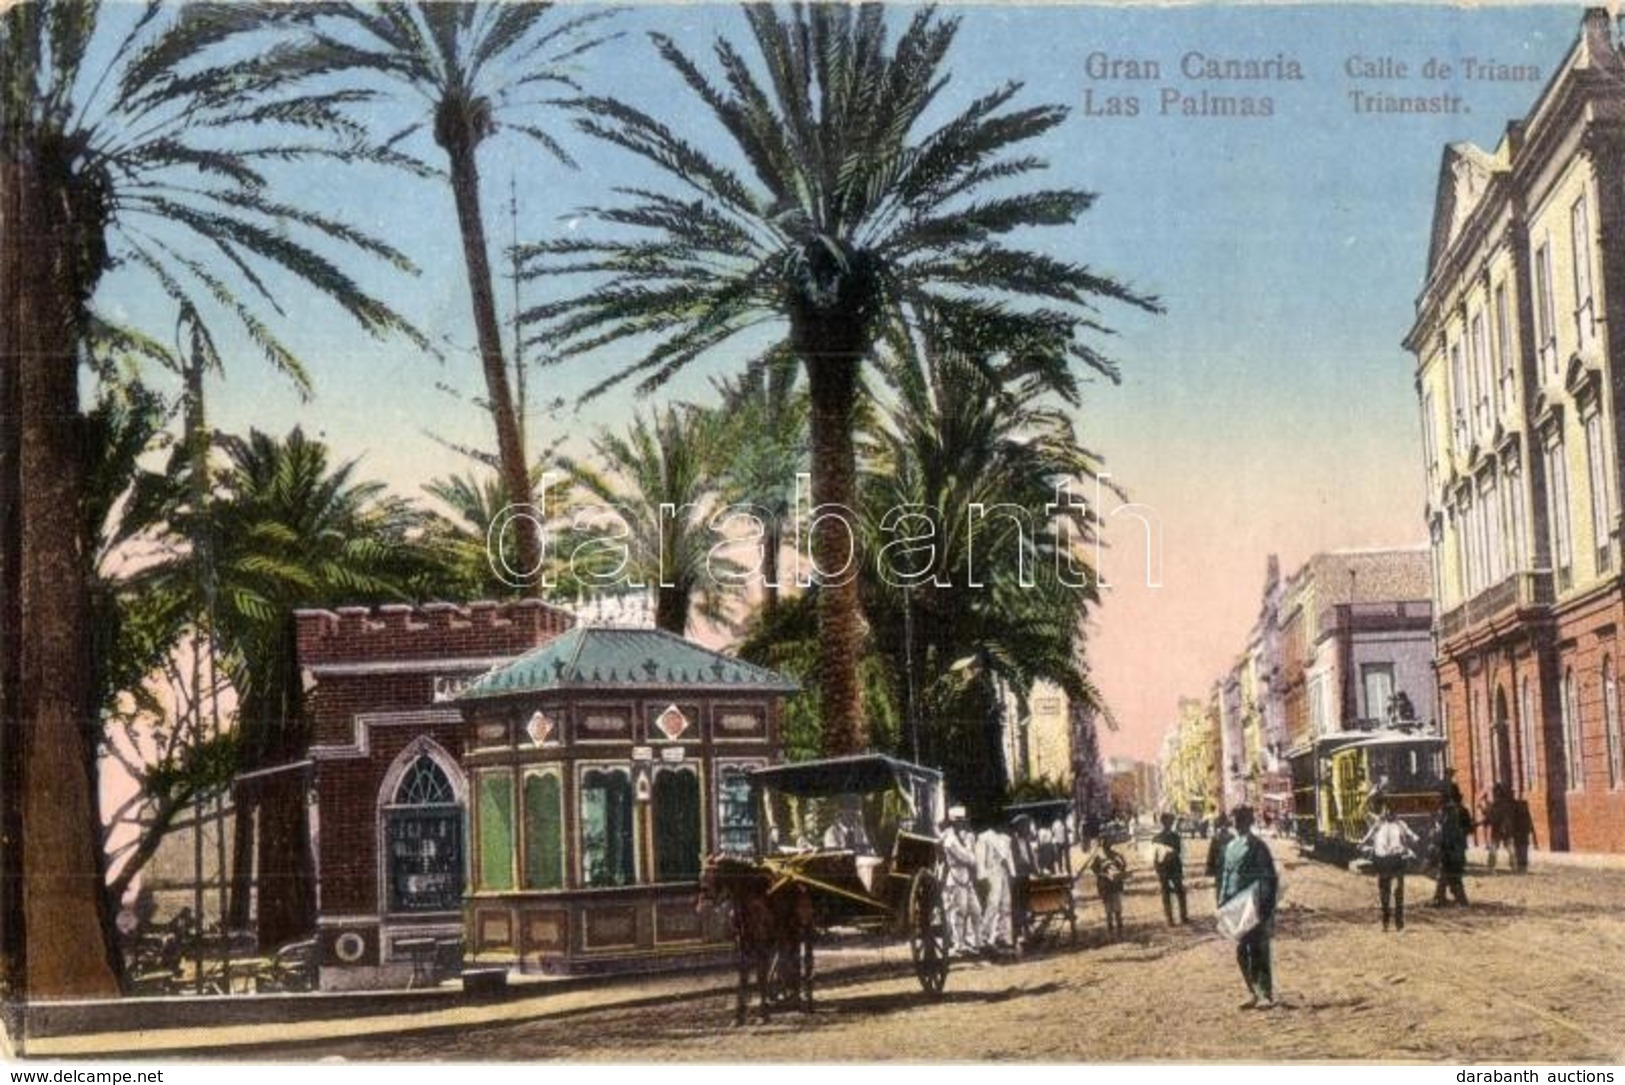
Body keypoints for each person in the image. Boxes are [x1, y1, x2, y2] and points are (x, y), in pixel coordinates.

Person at [1218, 805, 1278, 1010]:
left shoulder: (1258, 846)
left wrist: (1266, 905)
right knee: (1242, 950)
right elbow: (1225, 875)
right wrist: (1222, 901)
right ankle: (1252, 992)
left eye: (1238, 819)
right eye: (1233, 819)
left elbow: (1269, 877)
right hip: (1236, 905)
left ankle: (1266, 995)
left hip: (1254, 903)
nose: (1234, 822)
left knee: (1259, 949)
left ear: (1247, 822)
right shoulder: (1230, 846)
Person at [1358, 802, 1418, 931]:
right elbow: (1369, 834)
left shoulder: (1401, 824)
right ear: (1384, 811)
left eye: (1392, 810)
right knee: (1384, 893)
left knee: (1398, 891)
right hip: (1383, 862)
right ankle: (1385, 922)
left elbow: (1410, 834)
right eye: (1387, 810)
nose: (1389, 812)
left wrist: (1414, 838)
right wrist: (1362, 843)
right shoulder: (1378, 824)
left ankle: (1399, 923)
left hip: (1397, 861)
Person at [939, 808, 983, 956]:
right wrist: (970, 847)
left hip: (966, 877)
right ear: (952, 822)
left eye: (963, 821)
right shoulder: (950, 840)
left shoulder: (961, 836)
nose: (962, 824)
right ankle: (958, 945)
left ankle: (977, 942)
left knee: (976, 911)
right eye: (959, 821)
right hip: (956, 876)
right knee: (959, 912)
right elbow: (967, 858)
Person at [977, 823, 1017, 952]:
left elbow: (1009, 859)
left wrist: (1012, 874)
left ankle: (1005, 936)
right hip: (992, 873)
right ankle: (984, 935)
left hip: (1003, 873)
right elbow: (980, 859)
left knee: (1006, 904)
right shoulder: (984, 837)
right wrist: (982, 877)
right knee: (993, 904)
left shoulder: (1006, 838)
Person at [1084, 834, 1128, 939]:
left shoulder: (1115, 855)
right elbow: (1094, 870)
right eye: (1103, 842)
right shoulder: (1098, 857)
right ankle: (1110, 929)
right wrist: (1104, 874)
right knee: (1108, 908)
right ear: (1101, 844)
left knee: (1117, 907)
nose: (1106, 844)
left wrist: (1121, 870)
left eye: (1108, 842)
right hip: (1105, 885)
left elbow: (1123, 866)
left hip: (1115, 884)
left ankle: (1119, 928)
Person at [1431, 795, 1470, 907]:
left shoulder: (1447, 814)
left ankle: (1460, 901)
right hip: (1456, 848)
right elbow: (1468, 828)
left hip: (1450, 849)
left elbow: (1444, 833)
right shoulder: (1457, 811)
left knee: (1451, 875)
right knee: (1447, 875)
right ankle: (1440, 898)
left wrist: (1436, 839)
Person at [1151, 812, 1189, 925]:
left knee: (1180, 891)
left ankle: (1183, 916)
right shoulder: (1157, 838)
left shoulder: (1175, 837)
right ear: (1163, 822)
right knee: (1166, 893)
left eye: (1171, 821)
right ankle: (1170, 918)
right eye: (1168, 821)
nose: (1170, 823)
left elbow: (1179, 852)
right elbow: (1154, 856)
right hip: (1164, 869)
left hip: (1174, 867)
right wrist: (1158, 869)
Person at [1205, 812, 1234, 893]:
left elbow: (1211, 854)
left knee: (1219, 888)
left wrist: (1209, 869)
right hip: (1229, 865)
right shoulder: (1232, 837)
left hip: (1219, 865)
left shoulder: (1216, 837)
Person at [1510, 796, 1537, 872]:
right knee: (1521, 850)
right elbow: (1530, 826)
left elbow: (1530, 825)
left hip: (1521, 835)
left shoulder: (1518, 815)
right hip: (1521, 835)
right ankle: (1521, 865)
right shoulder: (1522, 815)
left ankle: (1521, 865)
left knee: (1521, 850)